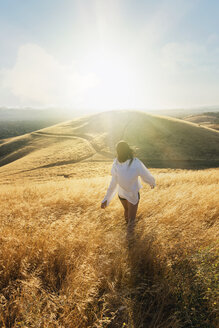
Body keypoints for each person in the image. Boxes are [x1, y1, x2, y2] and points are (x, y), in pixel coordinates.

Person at [101, 141, 155, 238]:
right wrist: (152, 182)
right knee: (132, 219)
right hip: (132, 194)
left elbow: (113, 182)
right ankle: (130, 239)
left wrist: (106, 199)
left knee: (126, 210)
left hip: (121, 194)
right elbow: (145, 174)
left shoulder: (116, 163)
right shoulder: (135, 162)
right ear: (128, 149)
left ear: (118, 151)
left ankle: (127, 230)